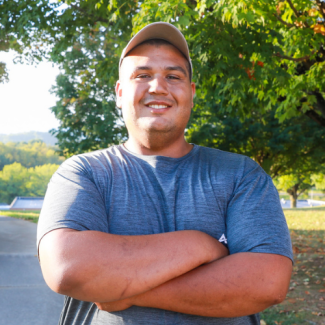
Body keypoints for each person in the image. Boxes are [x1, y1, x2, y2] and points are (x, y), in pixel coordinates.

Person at [37, 22, 293, 325]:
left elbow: (266, 282)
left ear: (191, 93)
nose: (158, 87)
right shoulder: (84, 173)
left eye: (173, 76)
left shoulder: (241, 174)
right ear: (120, 93)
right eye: (142, 75)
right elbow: (68, 267)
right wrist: (200, 245)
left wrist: (126, 292)